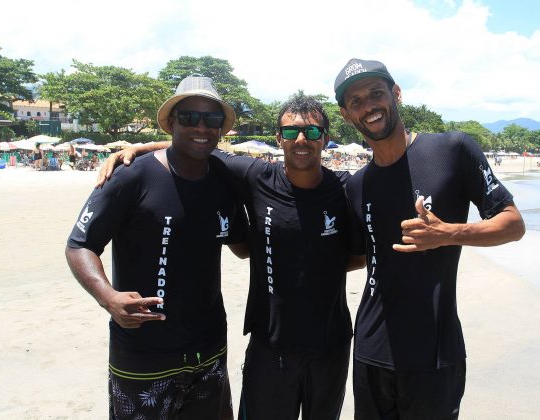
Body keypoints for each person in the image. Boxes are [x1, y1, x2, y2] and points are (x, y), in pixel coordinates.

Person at [99, 93, 366, 420]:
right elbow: (199, 145)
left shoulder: (345, 188)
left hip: (331, 344)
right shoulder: (257, 178)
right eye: (291, 131)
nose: (301, 140)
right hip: (270, 344)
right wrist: (142, 148)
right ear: (278, 137)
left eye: (312, 132)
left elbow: (358, 255)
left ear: (325, 138)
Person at [333, 58, 526, 419]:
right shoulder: (357, 184)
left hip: (435, 353)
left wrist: (449, 234)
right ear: (346, 115)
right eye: (356, 101)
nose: (369, 106)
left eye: (376, 94)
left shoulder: (453, 151)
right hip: (371, 350)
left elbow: (513, 224)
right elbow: (360, 256)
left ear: (396, 94)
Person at [66, 75, 249, 420]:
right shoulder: (131, 176)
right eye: (189, 117)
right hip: (142, 355)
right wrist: (108, 297)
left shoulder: (225, 181)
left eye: (211, 119)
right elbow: (79, 244)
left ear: (221, 128)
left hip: (208, 351)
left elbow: (242, 246)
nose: (201, 126)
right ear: (172, 122)